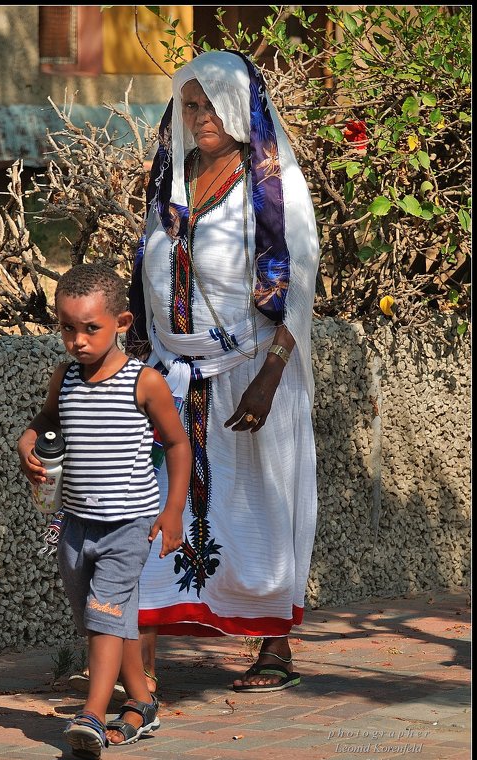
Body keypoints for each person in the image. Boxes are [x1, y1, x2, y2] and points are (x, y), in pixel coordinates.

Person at [126, 50, 320, 693]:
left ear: (239, 109)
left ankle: (273, 647)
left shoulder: (272, 185)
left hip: (251, 373)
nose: (200, 117)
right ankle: (137, 656)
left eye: (210, 104)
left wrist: (270, 376)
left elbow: (298, 285)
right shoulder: (171, 182)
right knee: (158, 506)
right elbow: (149, 274)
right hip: (178, 375)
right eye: (190, 105)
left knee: (258, 505)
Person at [17, 263, 192, 760]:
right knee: (105, 621)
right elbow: (46, 421)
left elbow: (178, 446)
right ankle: (142, 700)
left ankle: (92, 715)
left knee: (104, 617)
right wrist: (27, 443)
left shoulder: (145, 382)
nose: (77, 340)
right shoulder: (65, 378)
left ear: (122, 322)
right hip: (73, 524)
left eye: (91, 328)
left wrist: (173, 510)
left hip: (127, 526)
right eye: (67, 328)